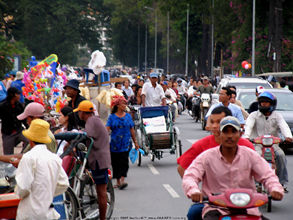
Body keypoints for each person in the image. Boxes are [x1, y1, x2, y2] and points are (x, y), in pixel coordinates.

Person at [182, 116, 284, 220]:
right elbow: (190, 176)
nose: (229, 136)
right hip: (217, 209)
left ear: (240, 134)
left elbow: (268, 175)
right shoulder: (207, 157)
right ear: (219, 134)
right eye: (226, 132)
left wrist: (275, 189)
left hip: (248, 208)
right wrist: (194, 191)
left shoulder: (250, 155)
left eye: (233, 132)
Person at [177, 106, 255, 219]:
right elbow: (182, 168)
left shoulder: (246, 146)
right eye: (212, 122)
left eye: (218, 122)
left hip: (242, 200)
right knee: (193, 213)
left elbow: (263, 172)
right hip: (212, 201)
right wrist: (195, 189)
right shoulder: (201, 146)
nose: (214, 126)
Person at [15, 119, 69, 220]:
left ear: (30, 140)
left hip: (30, 213)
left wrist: (18, 192)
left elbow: (23, 188)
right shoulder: (54, 158)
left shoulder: (28, 157)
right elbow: (64, 183)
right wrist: (46, 192)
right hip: (48, 213)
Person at [243, 91, 292, 191]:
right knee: (255, 157)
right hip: (257, 144)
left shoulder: (277, 115)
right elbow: (248, 126)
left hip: (273, 144)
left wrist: (288, 136)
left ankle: (281, 182)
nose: (264, 104)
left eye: (266, 102)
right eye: (262, 102)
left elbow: (284, 126)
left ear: (272, 104)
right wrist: (246, 136)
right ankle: (255, 182)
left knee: (281, 156)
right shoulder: (253, 115)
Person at [74, 100, 111, 220]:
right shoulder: (95, 120)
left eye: (79, 112)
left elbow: (87, 135)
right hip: (100, 159)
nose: (78, 114)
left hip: (99, 160)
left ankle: (102, 218)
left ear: (83, 113)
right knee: (100, 190)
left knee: (101, 192)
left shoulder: (90, 121)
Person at [106, 96, 139, 189]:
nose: (125, 105)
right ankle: (118, 181)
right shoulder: (112, 117)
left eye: (125, 103)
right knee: (115, 163)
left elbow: (132, 129)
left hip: (125, 143)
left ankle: (123, 180)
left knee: (124, 162)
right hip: (114, 144)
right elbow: (107, 129)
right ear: (117, 105)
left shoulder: (128, 116)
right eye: (123, 104)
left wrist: (135, 142)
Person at [0, 87, 27, 155]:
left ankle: (21, 155)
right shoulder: (2, 106)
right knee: (8, 155)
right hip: (8, 133)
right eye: (18, 94)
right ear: (13, 95)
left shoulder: (19, 105)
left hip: (19, 130)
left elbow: (23, 119)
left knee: (30, 141)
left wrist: (28, 127)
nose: (19, 96)